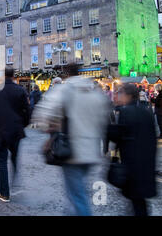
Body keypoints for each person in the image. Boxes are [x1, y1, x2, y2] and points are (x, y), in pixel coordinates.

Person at [32, 64, 110, 216]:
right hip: (93, 149)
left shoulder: (63, 90)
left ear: (65, 74)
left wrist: (49, 126)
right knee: (76, 191)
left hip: (72, 150)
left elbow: (42, 115)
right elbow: (104, 119)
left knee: (77, 195)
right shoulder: (95, 93)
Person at [107, 84, 157, 216]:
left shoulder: (125, 112)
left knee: (137, 202)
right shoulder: (146, 111)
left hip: (132, 164)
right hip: (146, 162)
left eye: (120, 93)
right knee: (139, 202)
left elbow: (116, 135)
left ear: (128, 96)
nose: (117, 96)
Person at [0, 67, 30, 202]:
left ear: (3, 76)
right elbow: (27, 110)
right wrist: (23, 124)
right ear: (13, 76)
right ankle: (14, 181)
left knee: (2, 162)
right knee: (14, 157)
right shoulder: (20, 90)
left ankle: (5, 193)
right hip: (15, 130)